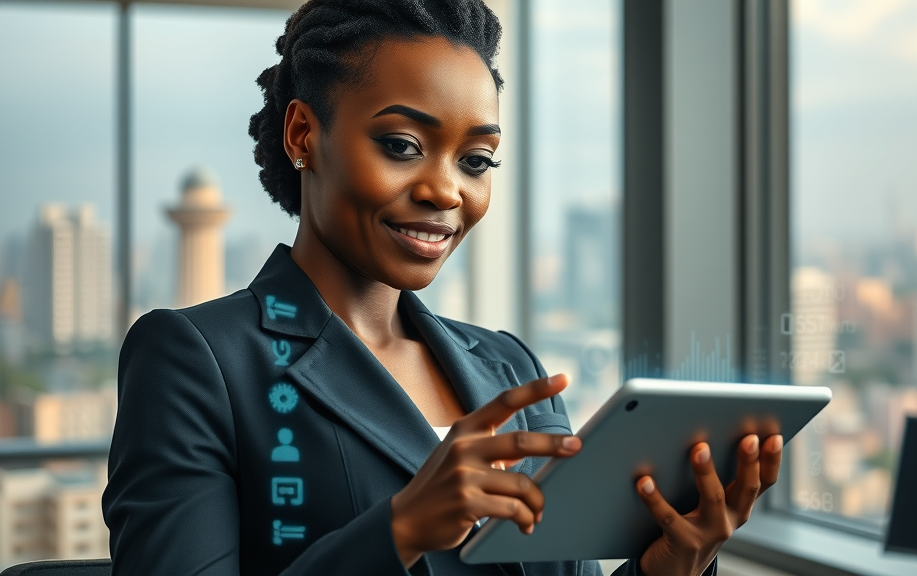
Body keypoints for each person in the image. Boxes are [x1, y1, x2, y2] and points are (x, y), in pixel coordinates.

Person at [102, 1, 782, 574]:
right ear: (304, 134)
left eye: (477, 159)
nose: (446, 190)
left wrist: (665, 566)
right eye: (401, 145)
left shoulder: (511, 367)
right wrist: (397, 530)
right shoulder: (197, 359)